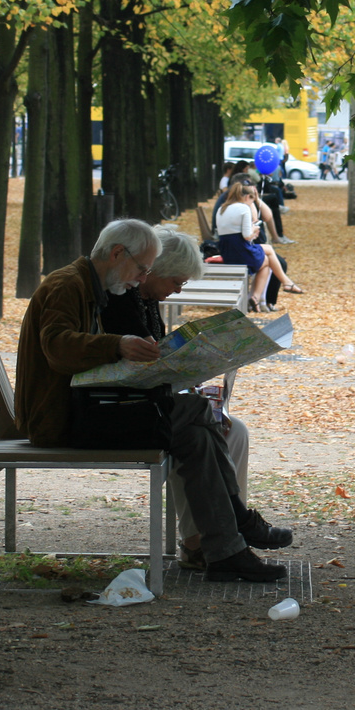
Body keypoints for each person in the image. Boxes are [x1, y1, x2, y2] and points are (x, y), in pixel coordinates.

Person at [12, 219, 291, 583]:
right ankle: (237, 522)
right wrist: (116, 345)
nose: (142, 279)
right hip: (62, 419)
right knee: (196, 410)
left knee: (196, 435)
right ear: (117, 254)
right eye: (142, 269)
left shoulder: (90, 285)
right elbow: (57, 348)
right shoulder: (68, 285)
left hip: (85, 411)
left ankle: (226, 552)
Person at [101, 229, 262, 572]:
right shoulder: (120, 298)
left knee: (235, 431)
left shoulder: (145, 300)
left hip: (147, 402)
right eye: (176, 280)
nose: (179, 289)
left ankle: (215, 536)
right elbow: (136, 364)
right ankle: (211, 536)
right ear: (153, 271)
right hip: (124, 409)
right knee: (198, 429)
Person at [215, 181, 303, 312]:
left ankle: (256, 299)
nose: (251, 204)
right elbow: (246, 235)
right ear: (246, 197)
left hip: (227, 251)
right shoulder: (243, 208)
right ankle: (286, 282)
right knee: (268, 250)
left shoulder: (222, 209)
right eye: (251, 200)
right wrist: (254, 230)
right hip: (240, 250)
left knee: (266, 261)